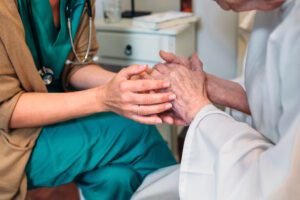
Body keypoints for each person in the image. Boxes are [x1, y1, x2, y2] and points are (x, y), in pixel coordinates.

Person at [0, 0, 177, 199]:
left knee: (117, 179)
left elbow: (75, 66)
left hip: (52, 120)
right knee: (135, 129)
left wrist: (129, 87)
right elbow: (7, 108)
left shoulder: (80, 2)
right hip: (10, 138)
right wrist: (103, 98)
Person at [132, 0, 300, 199]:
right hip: (254, 166)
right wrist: (203, 85)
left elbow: (280, 184)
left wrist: (196, 106)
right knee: (152, 187)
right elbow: (273, 100)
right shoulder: (271, 10)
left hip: (264, 180)